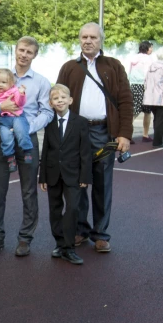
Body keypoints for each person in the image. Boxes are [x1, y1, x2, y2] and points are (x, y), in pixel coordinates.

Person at [56, 22, 133, 253]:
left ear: (101, 40)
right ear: (79, 40)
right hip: (76, 134)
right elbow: (58, 99)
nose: (88, 41)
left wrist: (124, 135)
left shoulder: (114, 66)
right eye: (84, 37)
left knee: (102, 185)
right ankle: (81, 230)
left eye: (93, 37)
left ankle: (100, 234)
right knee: (77, 185)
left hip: (103, 133)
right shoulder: (69, 67)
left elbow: (126, 102)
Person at [0, 36, 54, 256]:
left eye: (29, 52)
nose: (24, 55)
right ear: (16, 50)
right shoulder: (1, 76)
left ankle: (25, 238)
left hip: (27, 140)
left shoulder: (41, 82)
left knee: (29, 191)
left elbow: (48, 112)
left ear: (34, 55)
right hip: (1, 137)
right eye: (21, 50)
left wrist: (27, 128)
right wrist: (0, 107)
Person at [39, 84, 92, 265]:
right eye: (55, 98)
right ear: (51, 103)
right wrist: (43, 176)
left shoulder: (80, 122)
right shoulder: (49, 123)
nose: (60, 100)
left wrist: (85, 176)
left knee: (72, 209)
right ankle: (60, 244)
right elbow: (46, 149)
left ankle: (69, 248)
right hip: (53, 174)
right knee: (54, 210)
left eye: (63, 97)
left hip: (73, 175)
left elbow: (85, 152)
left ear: (70, 100)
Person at [127, 40, 155, 143]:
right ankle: (145, 134)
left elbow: (129, 71)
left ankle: (128, 134)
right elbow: (148, 72)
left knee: (134, 110)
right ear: (146, 48)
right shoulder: (148, 59)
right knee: (147, 111)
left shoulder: (134, 58)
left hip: (133, 84)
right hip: (144, 85)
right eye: (150, 47)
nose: (151, 49)